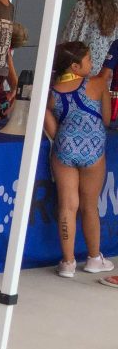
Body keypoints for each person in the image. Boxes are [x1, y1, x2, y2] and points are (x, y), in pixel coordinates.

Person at [44, 41, 113, 277]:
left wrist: (68, 139)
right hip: (94, 148)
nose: (92, 64)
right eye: (89, 60)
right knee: (89, 205)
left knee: (67, 205)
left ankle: (68, 263)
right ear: (75, 65)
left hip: (64, 148)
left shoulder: (50, 92)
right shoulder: (96, 84)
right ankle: (94, 258)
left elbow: (52, 130)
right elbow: (105, 119)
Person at [62, 0, 118, 82]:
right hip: (105, 69)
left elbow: (70, 37)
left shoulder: (83, 6)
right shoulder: (114, 8)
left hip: (81, 67)